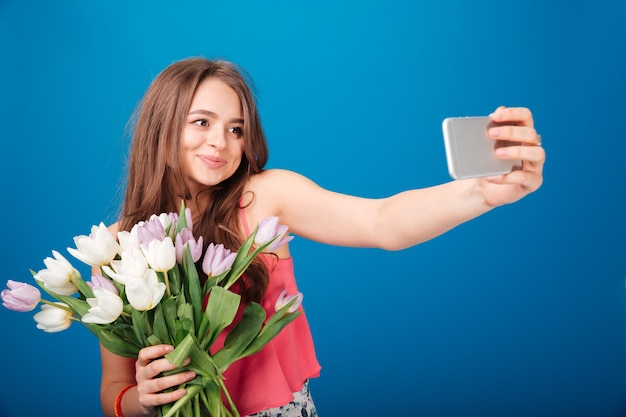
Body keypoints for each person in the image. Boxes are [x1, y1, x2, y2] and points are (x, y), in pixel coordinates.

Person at [99, 57, 545, 417]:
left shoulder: (263, 196)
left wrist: (480, 192)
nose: (221, 141)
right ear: (162, 125)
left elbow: (382, 222)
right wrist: (144, 399)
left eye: (236, 129)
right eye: (201, 122)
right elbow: (115, 391)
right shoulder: (115, 247)